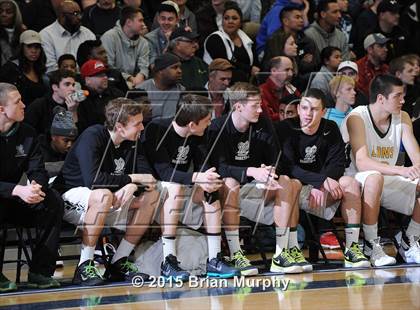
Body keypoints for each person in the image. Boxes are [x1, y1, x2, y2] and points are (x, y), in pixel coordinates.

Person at [53, 97, 159, 286]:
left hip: (107, 200)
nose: (142, 128)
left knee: (151, 196)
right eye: (137, 124)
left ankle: (119, 261)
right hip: (69, 198)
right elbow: (93, 181)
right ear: (119, 126)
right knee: (103, 194)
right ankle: (85, 265)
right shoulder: (93, 136)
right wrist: (131, 179)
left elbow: (148, 177)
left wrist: (133, 185)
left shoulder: (132, 141)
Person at [208, 82, 306, 275]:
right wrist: (251, 171)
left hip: (256, 186)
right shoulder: (218, 127)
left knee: (289, 182)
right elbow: (218, 167)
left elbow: (277, 157)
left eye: (260, 104)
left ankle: (281, 253)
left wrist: (270, 171)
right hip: (230, 190)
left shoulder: (263, 122)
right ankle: (236, 253)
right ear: (238, 106)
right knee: (230, 182)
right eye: (255, 106)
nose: (260, 110)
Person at [140, 94, 240, 280]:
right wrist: (198, 177)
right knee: (175, 187)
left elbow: (203, 163)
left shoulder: (198, 134)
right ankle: (168, 261)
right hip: (153, 189)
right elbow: (164, 172)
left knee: (211, 189)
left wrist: (208, 180)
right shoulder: (157, 129)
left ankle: (214, 259)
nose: (210, 124)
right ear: (192, 124)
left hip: (181, 183)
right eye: (206, 121)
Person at [278, 88, 370, 268]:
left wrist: (322, 183)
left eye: (313, 109)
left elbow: (337, 164)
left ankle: (352, 249)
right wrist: (319, 181)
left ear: (324, 111)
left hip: (323, 189)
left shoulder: (331, 128)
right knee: (292, 183)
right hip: (294, 188)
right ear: (298, 110)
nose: (308, 113)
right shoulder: (285, 128)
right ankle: (291, 249)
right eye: (304, 108)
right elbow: (287, 167)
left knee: (350, 183)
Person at [342, 74, 420, 265]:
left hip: (389, 179)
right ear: (381, 98)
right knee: (375, 177)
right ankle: (371, 244)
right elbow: (362, 163)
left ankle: (410, 240)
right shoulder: (356, 117)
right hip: (358, 180)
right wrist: (400, 170)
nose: (403, 100)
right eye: (398, 96)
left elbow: (417, 158)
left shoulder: (403, 117)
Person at [0, 83, 64, 292]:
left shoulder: (27, 132)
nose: (24, 105)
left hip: (17, 200)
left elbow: (38, 169)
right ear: (2, 109)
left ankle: (40, 272)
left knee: (52, 200)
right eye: (18, 102)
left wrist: (36, 188)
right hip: (6, 195)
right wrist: (17, 190)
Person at [203, 2, 259, 83]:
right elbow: (224, 63)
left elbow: (256, 64)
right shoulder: (214, 39)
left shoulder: (248, 40)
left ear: (241, 23)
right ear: (222, 22)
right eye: (226, 18)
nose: (230, 21)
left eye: (234, 18)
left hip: (246, 83)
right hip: (220, 82)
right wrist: (249, 69)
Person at [101, 5, 150, 88]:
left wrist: (140, 76)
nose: (143, 24)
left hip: (136, 82)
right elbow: (108, 66)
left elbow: (144, 66)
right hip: (113, 82)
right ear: (129, 22)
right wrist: (130, 78)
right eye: (140, 21)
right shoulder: (109, 37)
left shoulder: (143, 42)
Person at [39, 0, 95, 72]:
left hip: (86, 78)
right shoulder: (46, 35)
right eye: (75, 14)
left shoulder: (88, 34)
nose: (79, 17)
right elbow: (51, 68)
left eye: (80, 13)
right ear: (62, 16)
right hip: (58, 79)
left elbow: (94, 61)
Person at [24, 69, 79, 136]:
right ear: (55, 87)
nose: (73, 89)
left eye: (73, 85)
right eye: (67, 84)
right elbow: (27, 132)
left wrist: (73, 111)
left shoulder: (74, 105)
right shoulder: (39, 105)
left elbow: (77, 135)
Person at [0, 30, 48, 106]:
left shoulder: (41, 70)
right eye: (29, 46)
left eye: (37, 47)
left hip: (37, 114)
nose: (34, 51)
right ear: (22, 47)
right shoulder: (10, 69)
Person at [77, 59, 124, 132]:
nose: (105, 77)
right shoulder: (80, 99)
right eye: (99, 75)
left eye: (105, 74)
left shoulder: (116, 94)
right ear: (87, 80)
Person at [136, 53, 185, 119]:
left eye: (180, 67)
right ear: (160, 71)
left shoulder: (182, 90)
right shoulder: (141, 90)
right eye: (175, 67)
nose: (180, 71)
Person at [260, 56, 300, 121]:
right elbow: (268, 118)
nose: (291, 74)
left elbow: (300, 105)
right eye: (287, 70)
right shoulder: (262, 91)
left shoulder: (290, 87)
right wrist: (291, 114)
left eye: (291, 70)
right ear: (274, 71)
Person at [356, 33, 389, 97]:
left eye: (385, 46)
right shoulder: (358, 68)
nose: (386, 49)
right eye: (381, 46)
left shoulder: (386, 68)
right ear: (370, 49)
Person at [0, 0, 25, 66]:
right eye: (0, 11)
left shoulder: (23, 33)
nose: (3, 14)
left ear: (15, 15)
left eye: (8, 12)